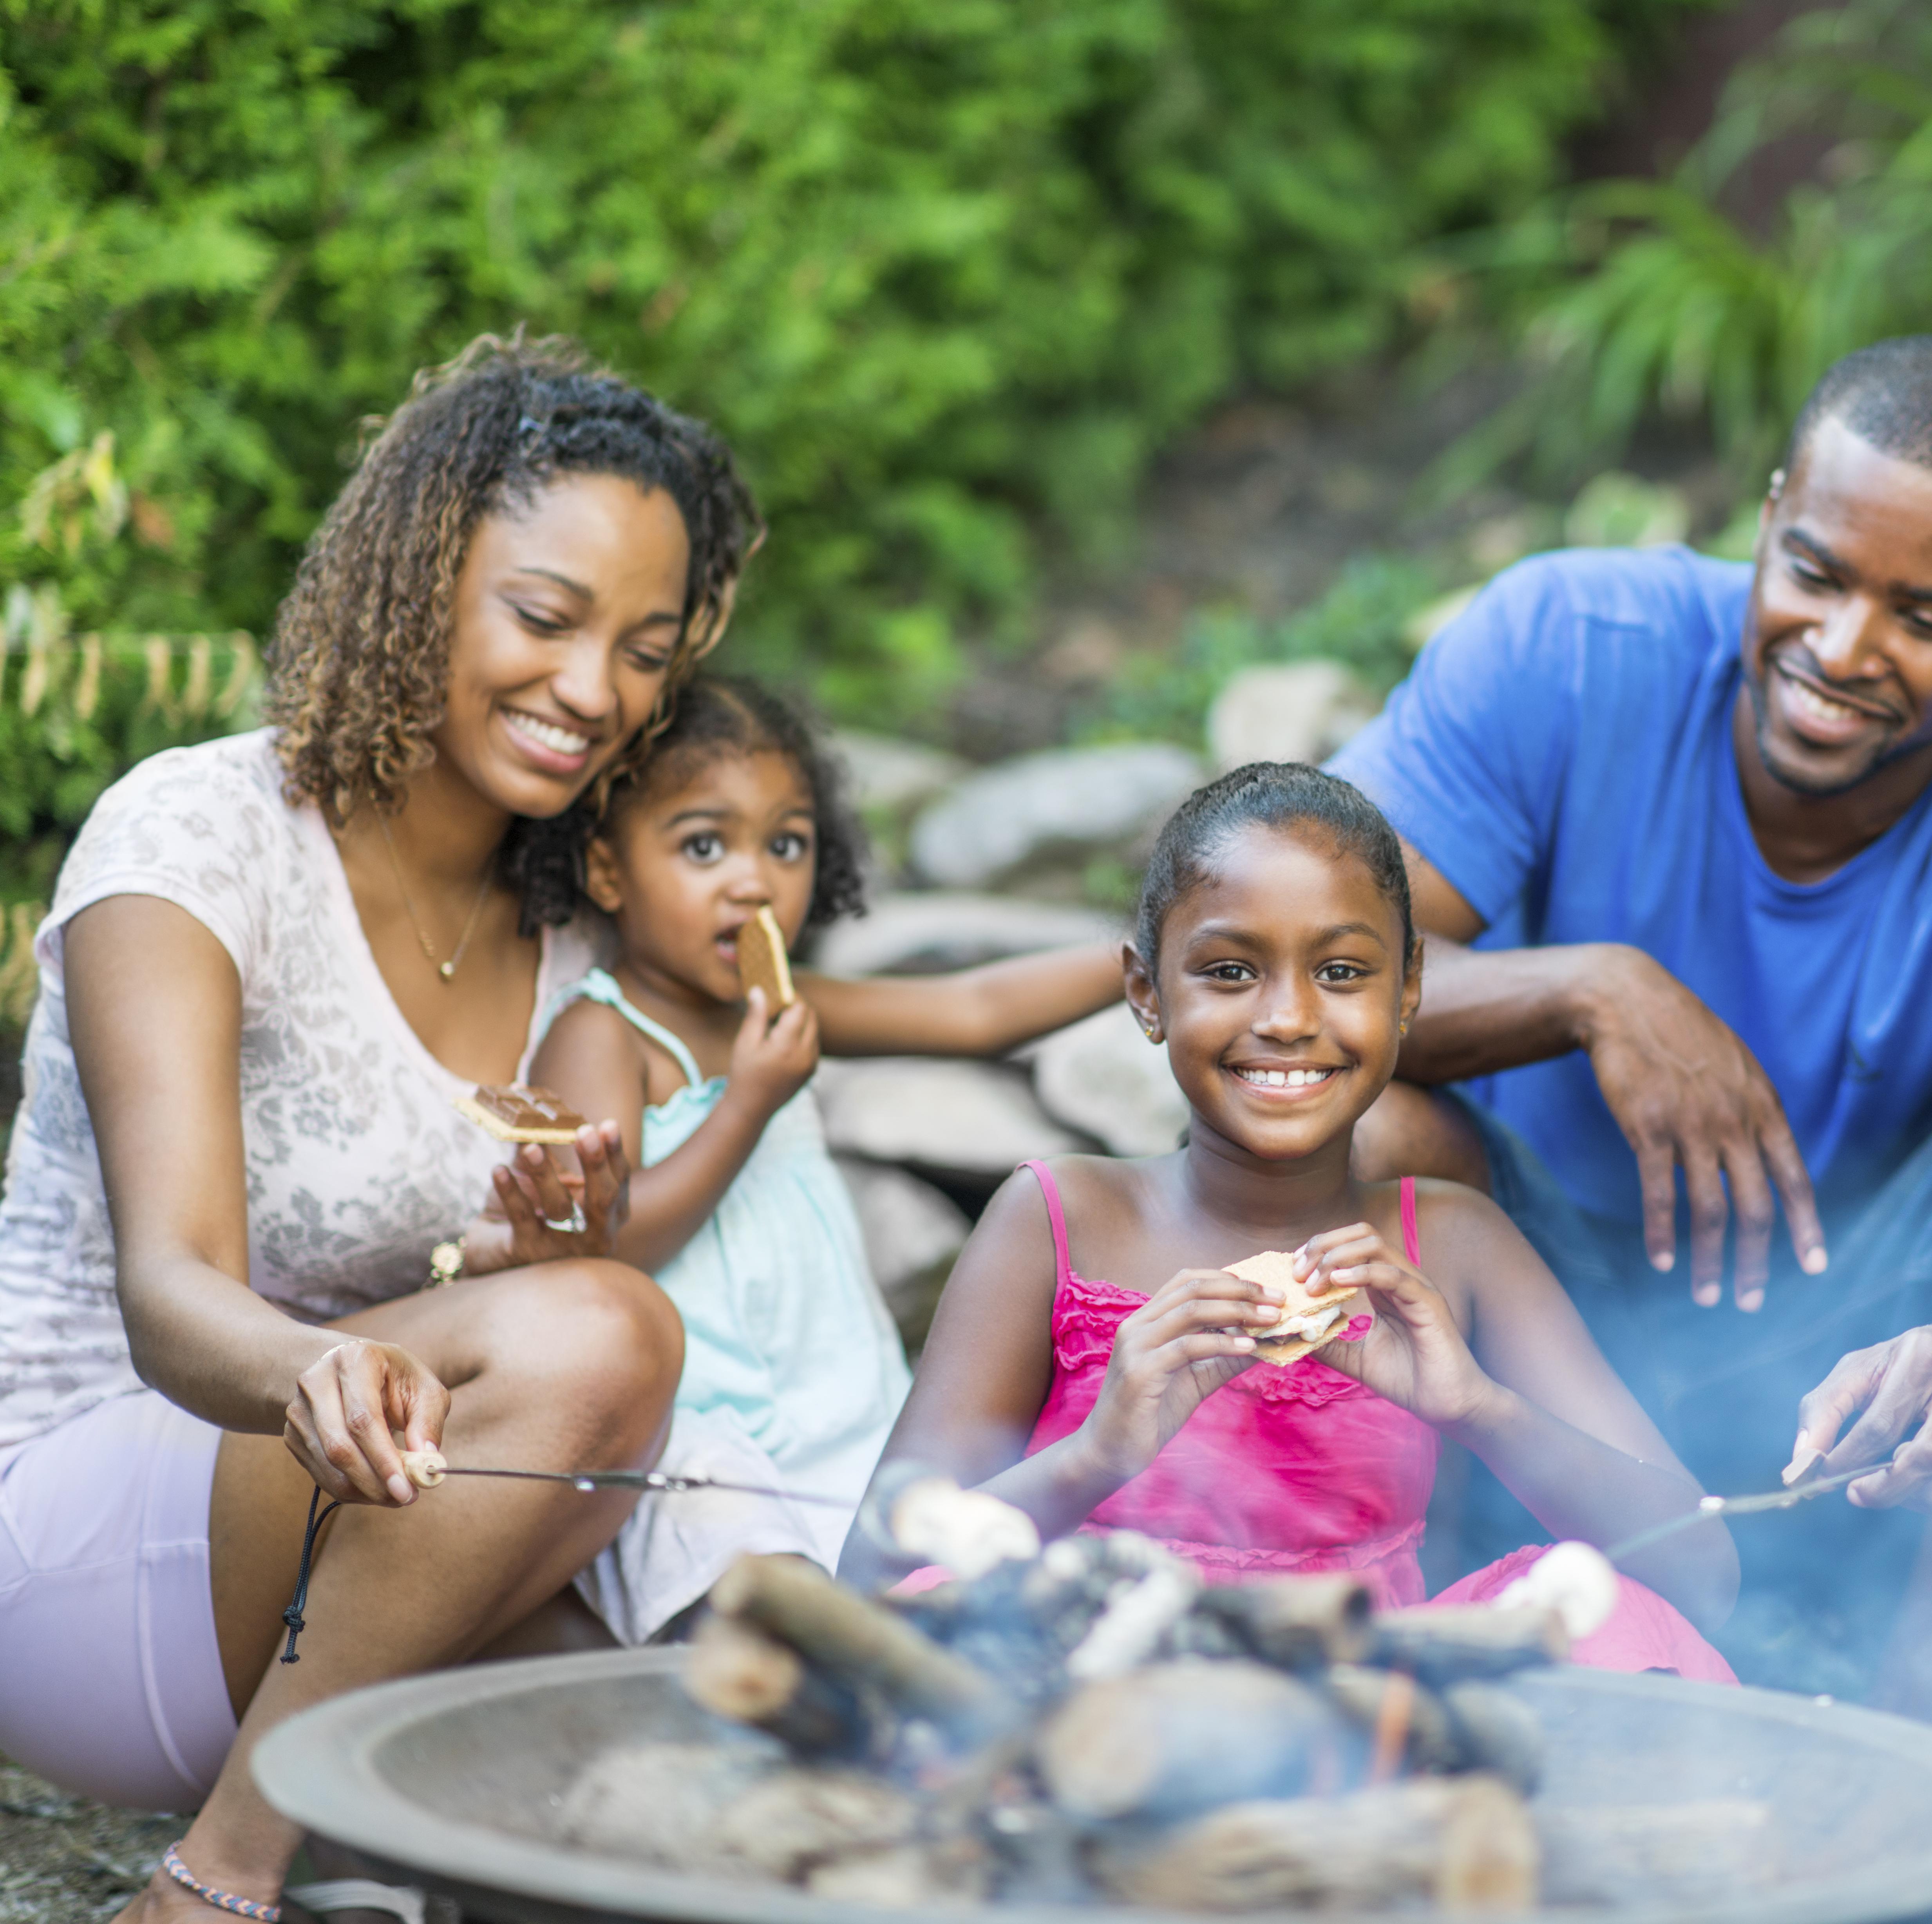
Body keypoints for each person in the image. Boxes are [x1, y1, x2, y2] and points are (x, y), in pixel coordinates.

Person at [1331, 335, 1932, 1718]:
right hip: (1524, 1305)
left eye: (1927, 616)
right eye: (1817, 575)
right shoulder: (1569, 648)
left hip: (1854, 1377)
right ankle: (1364, 1609)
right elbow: (1286, 981)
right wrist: (1594, 988)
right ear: (1768, 517)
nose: (1843, 650)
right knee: (1361, 1122)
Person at [0, 334, 762, 1922]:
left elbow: (497, 1323)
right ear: (418, 576)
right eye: (545, 619)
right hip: (81, 1532)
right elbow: (175, 1292)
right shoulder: (197, 836)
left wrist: (539, 1244)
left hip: (369, 1544)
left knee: (656, 1809)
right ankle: (210, 1885)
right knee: (610, 1335)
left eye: (642, 647)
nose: (591, 691)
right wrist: (326, 1362)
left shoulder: (563, 933)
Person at [853, 764, 1738, 1678]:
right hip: (1088, 1691)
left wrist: (1472, 1405)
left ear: (1406, 990)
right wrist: (1097, 1454)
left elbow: (1698, 1572)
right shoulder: (1060, 1217)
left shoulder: (1456, 1243)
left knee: (1609, 1614)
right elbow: (878, 1572)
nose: (1286, 1016)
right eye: (1230, 970)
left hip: (1363, 1709)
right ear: (1148, 991)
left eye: (1342, 970)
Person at [522, 674, 1123, 1607]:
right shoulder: (603, 1033)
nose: (754, 877)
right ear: (608, 870)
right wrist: (748, 1103)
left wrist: (1140, 954)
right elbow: (610, 1246)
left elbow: (972, 1010)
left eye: (787, 842)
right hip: (694, 1444)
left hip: (839, 1416)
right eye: (703, 844)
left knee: (937, 1599)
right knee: (776, 1620)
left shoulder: (787, 1003)